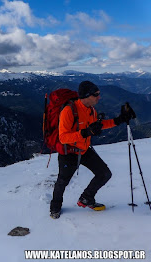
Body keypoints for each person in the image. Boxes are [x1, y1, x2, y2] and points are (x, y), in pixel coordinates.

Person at [50, 81, 136, 219]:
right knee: (62, 182)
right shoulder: (69, 110)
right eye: (96, 95)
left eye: (99, 94)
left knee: (104, 174)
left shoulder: (91, 109)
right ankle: (55, 208)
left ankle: (86, 198)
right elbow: (63, 138)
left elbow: (98, 126)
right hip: (69, 152)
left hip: (84, 150)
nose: (99, 97)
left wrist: (119, 120)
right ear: (86, 96)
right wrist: (85, 132)